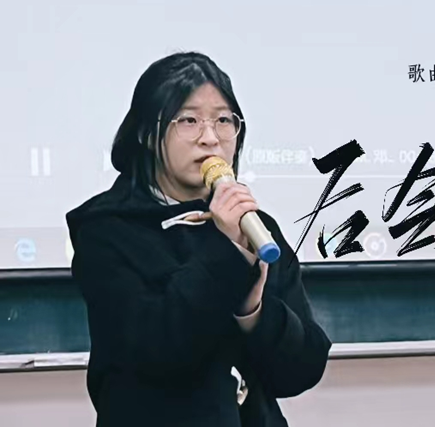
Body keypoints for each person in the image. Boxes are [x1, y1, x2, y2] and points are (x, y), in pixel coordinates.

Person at [65, 51, 332, 427]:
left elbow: (301, 370)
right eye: (189, 120)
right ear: (146, 132)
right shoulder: (106, 229)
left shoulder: (255, 227)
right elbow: (157, 351)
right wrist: (227, 256)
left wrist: (253, 312)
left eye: (223, 120)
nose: (211, 139)